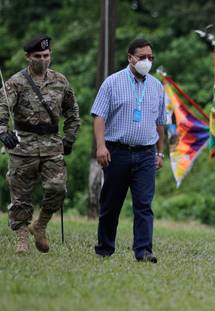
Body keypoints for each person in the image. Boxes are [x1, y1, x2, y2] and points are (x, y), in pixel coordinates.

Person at [0, 35, 80, 254]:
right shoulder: (16, 82)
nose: (43, 60)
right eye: (38, 56)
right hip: (23, 146)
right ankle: (22, 238)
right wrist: (3, 131)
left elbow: (72, 112)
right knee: (20, 197)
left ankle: (41, 224)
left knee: (58, 188)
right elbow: (2, 108)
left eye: (46, 55)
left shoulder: (60, 81)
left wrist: (70, 138)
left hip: (52, 146)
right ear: (28, 57)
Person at [91, 38, 166, 263]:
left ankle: (143, 251)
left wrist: (160, 152)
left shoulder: (157, 86)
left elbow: (161, 121)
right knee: (111, 204)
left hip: (145, 154)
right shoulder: (112, 83)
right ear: (130, 58)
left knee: (144, 204)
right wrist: (101, 146)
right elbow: (99, 116)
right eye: (142, 57)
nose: (147, 61)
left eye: (150, 57)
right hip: (117, 152)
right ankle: (105, 248)